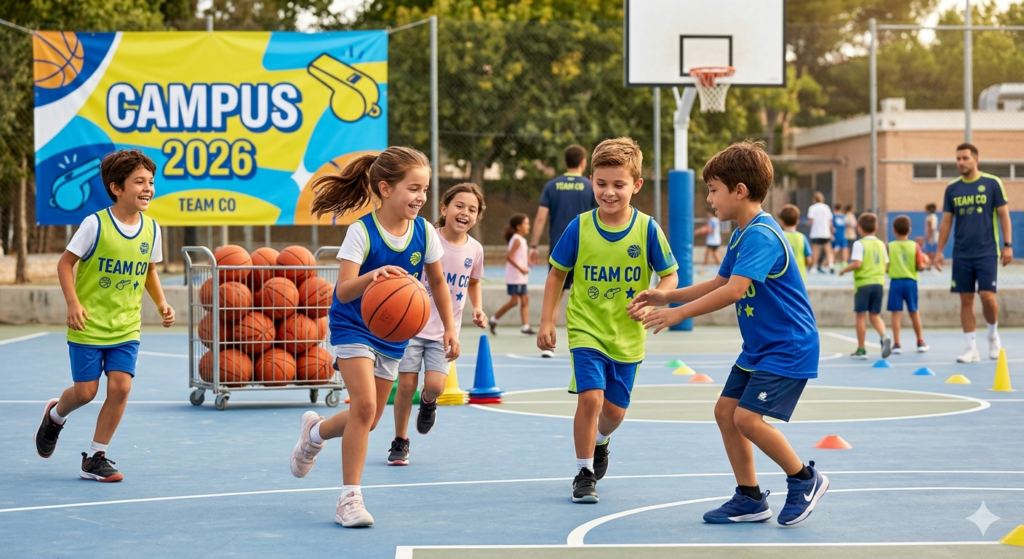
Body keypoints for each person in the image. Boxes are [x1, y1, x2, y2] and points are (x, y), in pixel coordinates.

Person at [631, 140, 828, 526]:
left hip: (787, 347)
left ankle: (804, 479)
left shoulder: (761, 235)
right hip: (760, 347)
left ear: (739, 191)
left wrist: (677, 314)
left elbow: (734, 292)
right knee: (726, 412)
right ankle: (750, 497)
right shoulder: (742, 233)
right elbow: (720, 280)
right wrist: (666, 295)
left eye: (714, 190)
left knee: (747, 419)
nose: (709, 198)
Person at [290, 146, 460, 528]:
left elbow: (437, 282)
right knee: (364, 406)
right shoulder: (361, 231)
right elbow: (345, 289)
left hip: (393, 333)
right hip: (353, 326)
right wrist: (373, 276)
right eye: (413, 188)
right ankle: (349, 499)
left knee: (367, 419)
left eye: (425, 190)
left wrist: (450, 328)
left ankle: (314, 433)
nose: (421, 198)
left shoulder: (424, 233)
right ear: (385, 188)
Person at [537, 137, 678, 504]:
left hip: (628, 334)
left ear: (636, 185)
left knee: (613, 412)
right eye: (601, 183)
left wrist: (655, 298)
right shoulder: (579, 227)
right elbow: (555, 274)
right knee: (591, 398)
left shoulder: (647, 229)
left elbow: (670, 275)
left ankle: (601, 441)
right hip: (586, 328)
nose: (609, 192)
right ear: (591, 181)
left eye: (619, 184)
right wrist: (547, 321)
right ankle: (584, 472)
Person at [34, 148, 175, 482]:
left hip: (126, 325)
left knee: (121, 388)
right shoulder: (95, 224)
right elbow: (65, 263)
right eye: (139, 181)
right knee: (85, 392)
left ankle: (96, 456)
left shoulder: (151, 229)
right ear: (116, 187)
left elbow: (149, 270)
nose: (147, 188)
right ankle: (55, 416)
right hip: (89, 323)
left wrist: (162, 303)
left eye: (151, 182)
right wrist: (72, 303)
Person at [389, 183, 487, 466]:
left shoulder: (475, 249)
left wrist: (477, 308)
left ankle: (429, 403)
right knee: (405, 386)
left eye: (472, 209)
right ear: (444, 208)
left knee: (435, 386)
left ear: (477, 217)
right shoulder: (427, 238)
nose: (464, 213)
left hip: (445, 330)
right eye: (459, 206)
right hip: (411, 324)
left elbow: (474, 281)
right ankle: (400, 440)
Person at [935, 143, 1012, 363]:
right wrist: (939, 251)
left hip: (987, 251)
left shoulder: (992, 183)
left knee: (988, 297)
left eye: (965, 158)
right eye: (958, 159)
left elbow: (1004, 216)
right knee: (965, 299)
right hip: (962, 253)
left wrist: (1008, 245)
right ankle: (971, 349)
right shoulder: (952, 189)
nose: (961, 162)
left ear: (975, 159)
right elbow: (947, 221)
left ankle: (992, 334)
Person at [528, 145, 596, 357]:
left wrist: (533, 245)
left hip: (559, 247)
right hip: (588, 246)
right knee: (588, 295)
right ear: (583, 163)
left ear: (565, 162)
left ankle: (549, 344)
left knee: (556, 296)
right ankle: (591, 343)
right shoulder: (590, 186)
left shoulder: (552, 186)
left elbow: (540, 218)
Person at [838, 213, 892, 360]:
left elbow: (857, 263)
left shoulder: (859, 244)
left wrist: (843, 270)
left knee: (861, 316)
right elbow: (886, 265)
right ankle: (884, 335)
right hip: (879, 283)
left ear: (859, 228)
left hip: (863, 284)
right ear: (876, 228)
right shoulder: (881, 244)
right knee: (875, 315)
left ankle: (861, 349)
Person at [887, 215, 929, 354]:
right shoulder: (915, 246)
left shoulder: (890, 246)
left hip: (896, 282)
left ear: (894, 230)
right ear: (909, 230)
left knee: (896, 314)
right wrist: (926, 262)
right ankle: (920, 341)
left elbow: (886, 267)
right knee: (914, 312)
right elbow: (920, 266)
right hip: (911, 282)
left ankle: (897, 344)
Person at [488, 214, 533, 335]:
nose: (528, 226)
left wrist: (528, 262)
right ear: (519, 226)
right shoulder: (517, 239)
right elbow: (510, 257)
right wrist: (522, 269)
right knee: (514, 301)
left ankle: (525, 327)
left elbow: (519, 256)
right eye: (526, 223)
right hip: (516, 277)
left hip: (520, 277)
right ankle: (493, 319)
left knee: (525, 299)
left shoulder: (521, 239)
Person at [778, 204, 812, 281]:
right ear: (797, 221)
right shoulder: (802, 237)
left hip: (782, 279)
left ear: (781, 221)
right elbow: (809, 260)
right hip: (799, 279)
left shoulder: (778, 237)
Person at [807, 192, 834, 273]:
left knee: (815, 250)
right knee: (828, 250)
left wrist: (807, 224)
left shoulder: (812, 208)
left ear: (814, 199)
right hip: (825, 232)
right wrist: (831, 231)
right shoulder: (826, 207)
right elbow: (830, 221)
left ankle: (814, 266)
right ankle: (831, 265)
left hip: (816, 232)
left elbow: (811, 220)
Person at [831, 202, 848, 267]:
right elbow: (846, 225)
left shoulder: (833, 216)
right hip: (843, 235)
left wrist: (831, 234)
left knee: (835, 250)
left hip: (836, 235)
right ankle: (844, 262)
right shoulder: (843, 216)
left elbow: (831, 226)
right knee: (844, 248)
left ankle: (831, 262)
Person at [923, 203, 939, 271]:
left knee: (929, 251)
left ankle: (930, 264)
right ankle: (930, 265)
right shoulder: (934, 216)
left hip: (931, 236)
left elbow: (931, 228)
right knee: (931, 251)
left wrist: (928, 237)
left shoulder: (930, 217)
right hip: (933, 235)